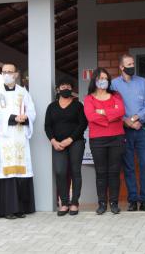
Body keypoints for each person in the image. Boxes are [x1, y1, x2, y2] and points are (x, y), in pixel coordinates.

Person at [0, 63, 36, 219]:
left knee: (20, 173)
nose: (7, 74)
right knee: (6, 173)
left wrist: (26, 117)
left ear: (16, 74)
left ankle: (19, 208)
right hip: (4, 138)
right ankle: (6, 209)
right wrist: (13, 118)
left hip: (20, 136)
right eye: (4, 72)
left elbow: (31, 111)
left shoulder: (24, 93)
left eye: (10, 72)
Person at [111, 54, 145, 211]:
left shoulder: (142, 82)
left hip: (141, 129)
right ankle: (133, 200)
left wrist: (135, 118)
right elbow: (113, 106)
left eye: (133, 63)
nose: (132, 66)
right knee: (128, 166)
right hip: (124, 130)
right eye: (128, 64)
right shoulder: (114, 84)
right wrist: (127, 121)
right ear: (121, 67)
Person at [84, 68, 126, 215]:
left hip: (116, 138)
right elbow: (91, 116)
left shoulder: (116, 96)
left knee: (114, 172)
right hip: (97, 139)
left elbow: (120, 111)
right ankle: (102, 203)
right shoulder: (89, 98)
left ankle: (114, 202)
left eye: (105, 78)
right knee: (101, 172)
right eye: (100, 78)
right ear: (94, 80)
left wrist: (102, 112)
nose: (103, 81)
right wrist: (110, 115)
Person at [45, 76, 88, 216]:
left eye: (68, 87)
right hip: (57, 144)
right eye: (62, 87)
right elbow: (47, 126)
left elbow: (83, 124)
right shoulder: (51, 107)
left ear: (72, 89)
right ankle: (64, 203)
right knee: (60, 171)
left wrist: (70, 139)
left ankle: (74, 203)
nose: (65, 89)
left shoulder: (78, 105)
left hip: (76, 142)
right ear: (58, 89)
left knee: (75, 171)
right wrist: (53, 141)